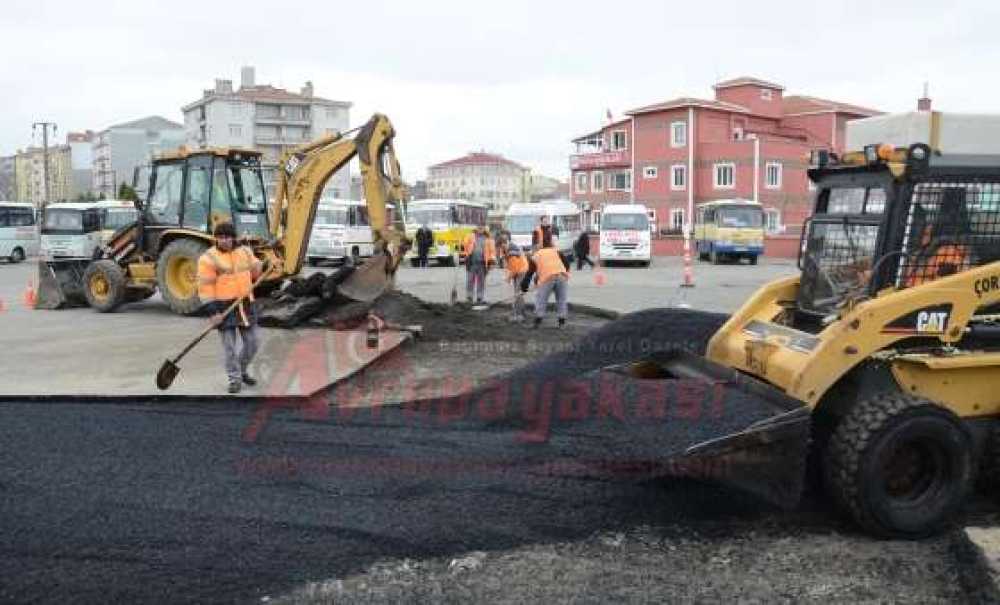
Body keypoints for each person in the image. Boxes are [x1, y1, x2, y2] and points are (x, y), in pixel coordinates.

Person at [197, 222, 265, 393]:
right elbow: (205, 288)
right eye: (220, 238)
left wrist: (261, 266)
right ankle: (234, 379)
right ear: (216, 239)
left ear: (233, 237)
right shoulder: (208, 258)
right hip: (223, 308)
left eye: (227, 237)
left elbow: (255, 272)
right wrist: (213, 312)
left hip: (245, 304)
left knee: (253, 342)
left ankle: (241, 370)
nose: (224, 240)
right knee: (229, 348)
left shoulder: (245, 252)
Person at [521, 235, 571, 328]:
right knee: (561, 300)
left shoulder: (536, 256)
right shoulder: (555, 251)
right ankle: (562, 323)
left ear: (538, 247)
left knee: (541, 299)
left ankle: (537, 322)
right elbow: (567, 265)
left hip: (548, 277)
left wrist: (524, 287)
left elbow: (529, 273)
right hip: (562, 276)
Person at [462, 226, 496, 305]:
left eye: (482, 228)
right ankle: (469, 296)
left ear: (484, 229)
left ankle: (480, 297)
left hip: (483, 263)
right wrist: (465, 255)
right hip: (472, 262)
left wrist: (491, 262)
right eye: (479, 228)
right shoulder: (470, 236)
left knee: (481, 281)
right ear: (476, 228)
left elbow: (492, 251)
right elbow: (464, 245)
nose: (480, 229)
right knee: (470, 280)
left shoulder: (489, 239)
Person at [505, 243, 529, 322]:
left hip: (521, 273)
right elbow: (513, 268)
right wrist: (510, 276)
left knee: (518, 293)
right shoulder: (516, 252)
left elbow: (515, 269)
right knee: (519, 293)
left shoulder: (512, 254)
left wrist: (509, 278)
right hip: (522, 271)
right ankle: (521, 312)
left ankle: (519, 314)